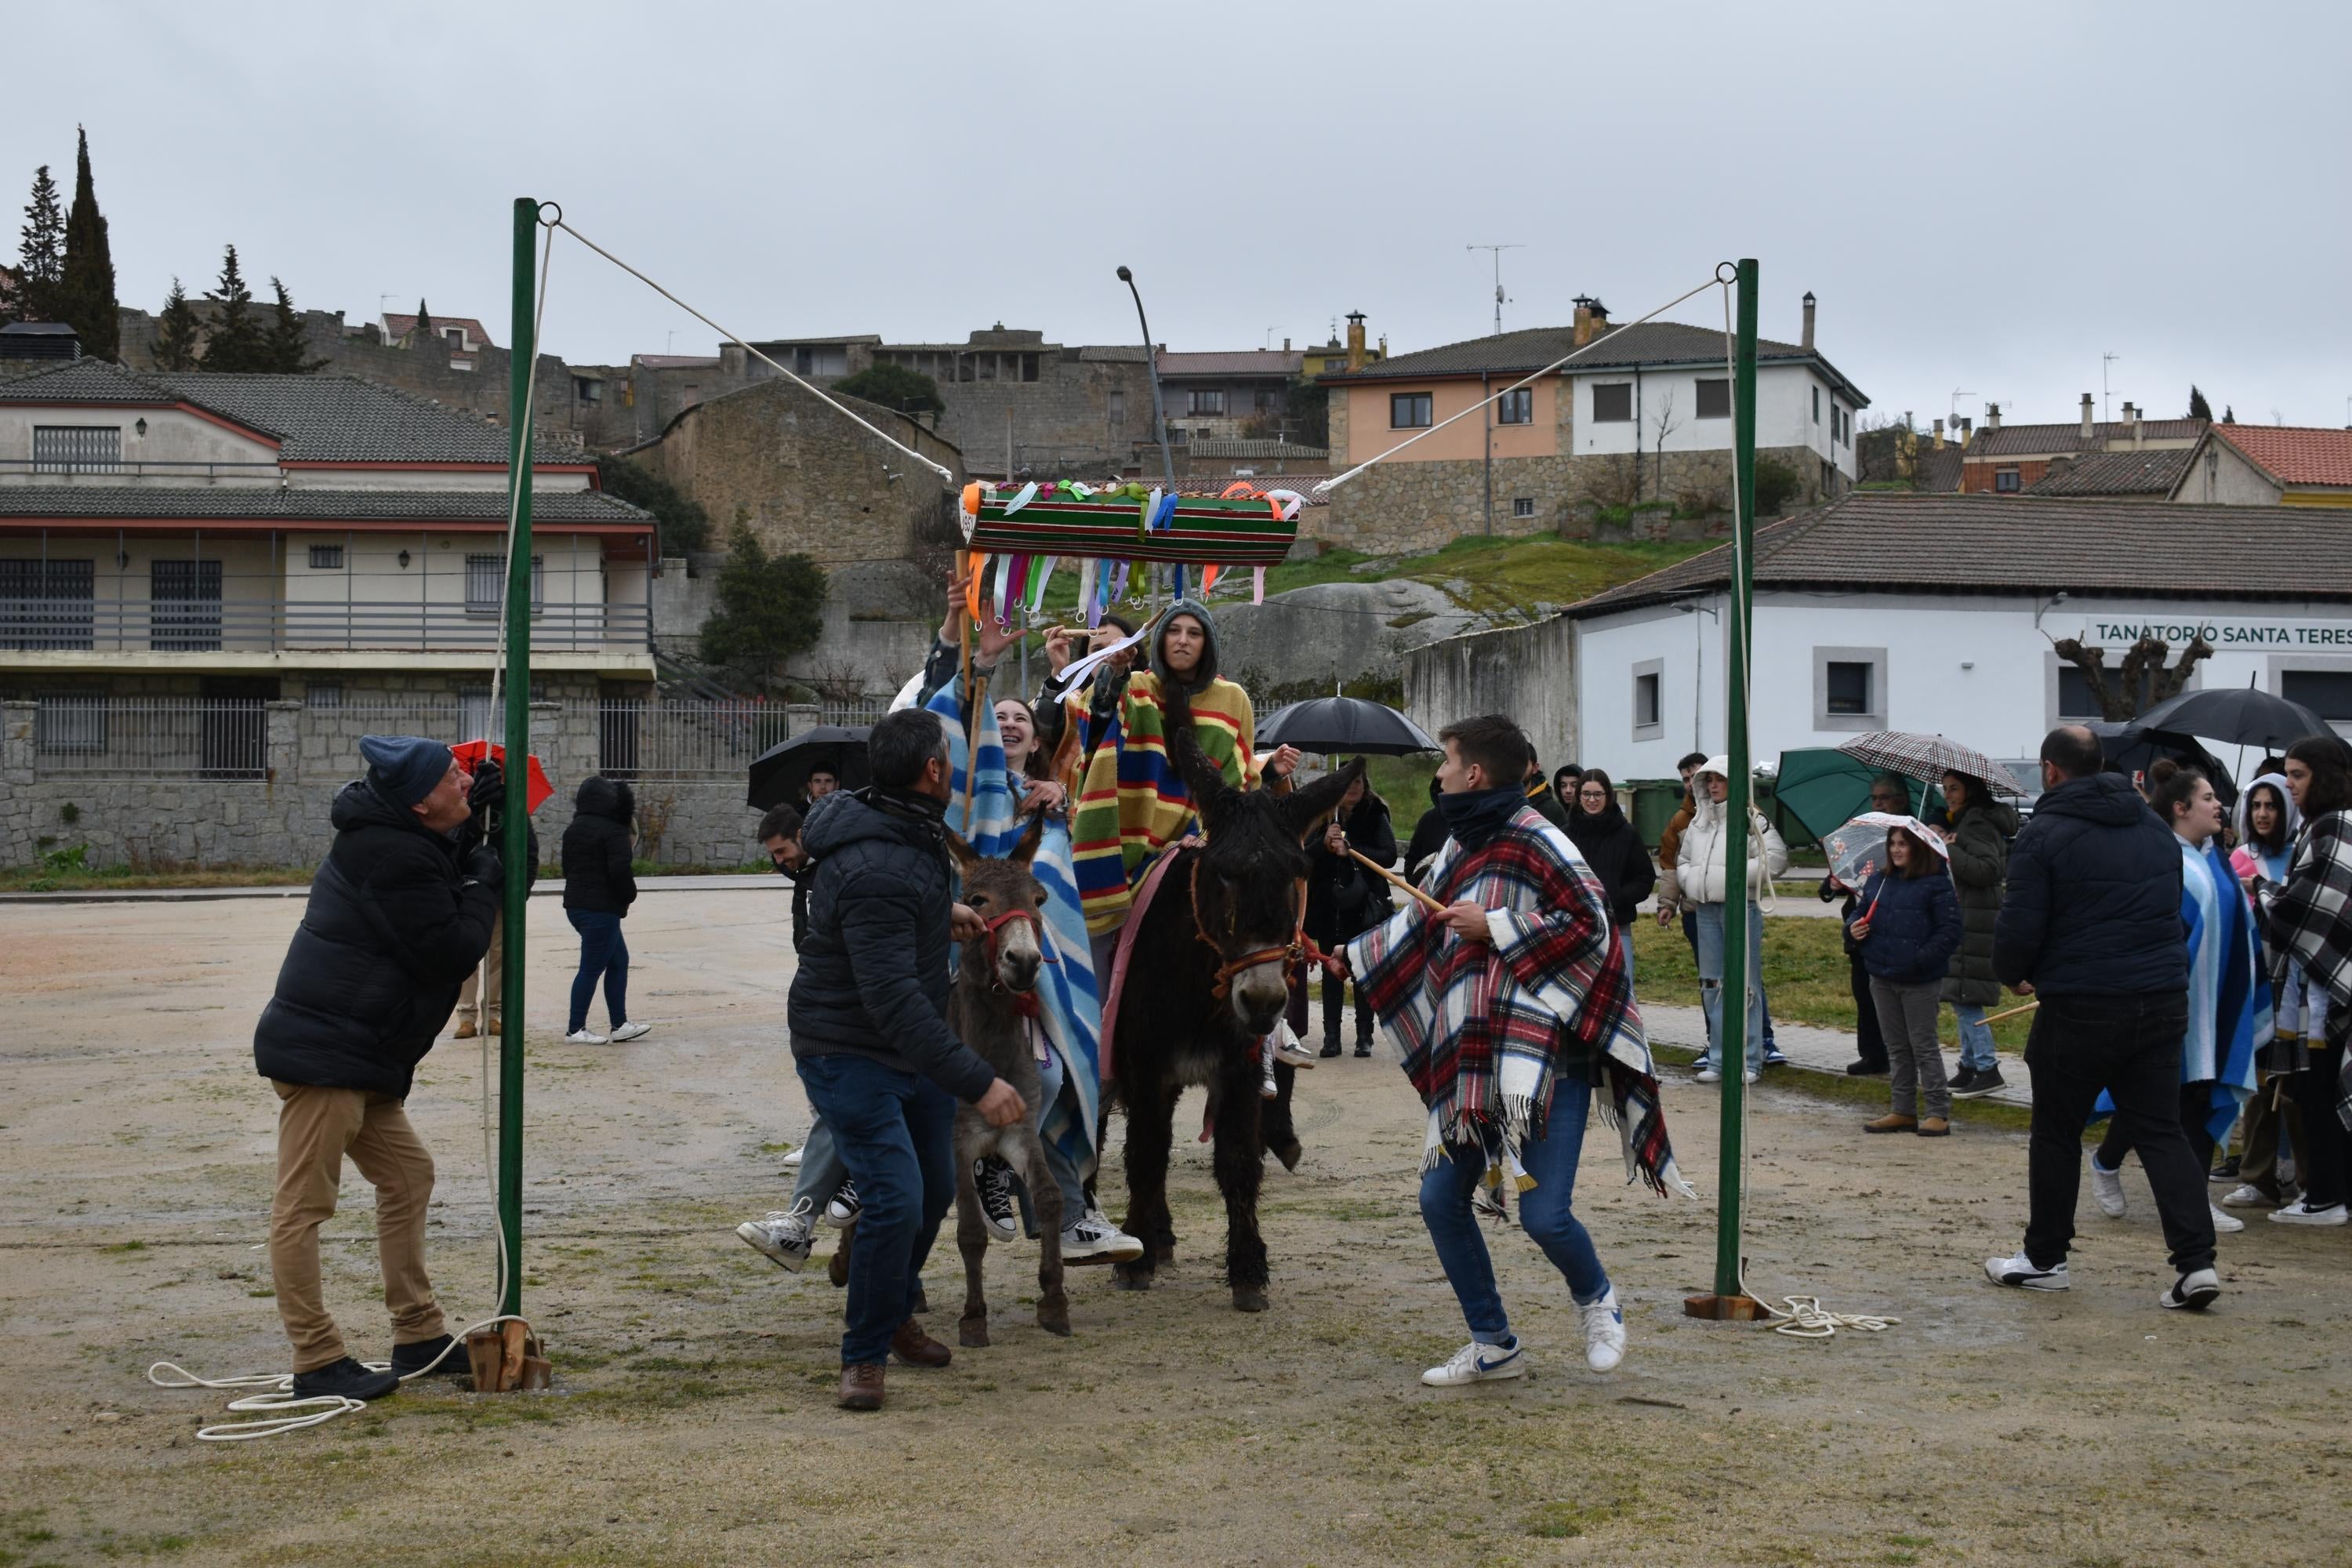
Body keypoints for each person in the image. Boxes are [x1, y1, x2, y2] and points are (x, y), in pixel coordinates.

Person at [1337, 714, 1686, 1386]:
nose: (1437, 774)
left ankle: (1598, 1300)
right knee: (1441, 1201)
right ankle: (1493, 1342)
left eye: (1446, 762)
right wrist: (1348, 959)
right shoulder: (1463, 844)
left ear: (1474, 773)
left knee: (1544, 1215)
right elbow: (1420, 917)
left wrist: (1494, 924)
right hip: (1478, 1059)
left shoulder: (1540, 838)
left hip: (1551, 1057)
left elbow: (1594, 925)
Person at [790, 707, 1028, 1411]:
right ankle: (863, 1356)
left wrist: (940, 916)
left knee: (931, 1190)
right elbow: (892, 998)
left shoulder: (901, 825)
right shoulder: (882, 863)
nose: (955, 769)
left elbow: (894, 930)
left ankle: (890, 1312)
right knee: (894, 1198)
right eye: (949, 759)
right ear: (932, 771)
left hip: (904, 1046)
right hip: (850, 1050)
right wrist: (980, 1080)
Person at [251, 735, 501, 1402]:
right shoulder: (385, 853)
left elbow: (491, 881)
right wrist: (480, 875)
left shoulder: (412, 839)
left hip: (366, 1056)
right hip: (327, 1054)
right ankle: (316, 1357)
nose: (465, 784)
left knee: (408, 1176)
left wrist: (499, 831)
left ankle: (418, 1332)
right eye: (455, 779)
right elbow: (451, 947)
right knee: (304, 1205)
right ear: (420, 800)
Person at [1985, 724, 2218, 1311]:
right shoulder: (2155, 829)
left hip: (2081, 1003)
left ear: (2051, 770)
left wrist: (2013, 972)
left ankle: (2045, 1258)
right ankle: (2196, 1265)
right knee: (2162, 1131)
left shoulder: (2045, 833)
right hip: (2160, 999)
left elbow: (2019, 924)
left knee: (2058, 1132)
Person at [2085, 762, 2267, 1237]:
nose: (2218, 805)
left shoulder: (2214, 857)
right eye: (2208, 798)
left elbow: (2233, 924)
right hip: (2174, 1002)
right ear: (2181, 808)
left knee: (2197, 1096)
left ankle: (2191, 1197)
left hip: (2214, 1002)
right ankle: (2107, 1161)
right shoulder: (2171, 861)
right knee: (2162, 1098)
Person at [1071, 598, 1298, 950]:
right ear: (1160, 639)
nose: (1183, 640)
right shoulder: (1138, 686)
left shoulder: (1232, 698)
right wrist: (1113, 676)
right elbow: (1098, 722)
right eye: (1174, 631)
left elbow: (1236, 780)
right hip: (1131, 844)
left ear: (1207, 643)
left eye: (1194, 633)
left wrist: (1210, 837)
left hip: (1202, 846)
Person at [2263, 735, 2352, 1226]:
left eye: (2298, 775)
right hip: (2324, 983)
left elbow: (2306, 909)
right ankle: (2335, 1193)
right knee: (2321, 1093)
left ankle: (2325, 1196)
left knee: (2320, 1093)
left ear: (2323, 775)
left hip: (2325, 989)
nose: (2289, 785)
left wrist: (2261, 892)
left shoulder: (2331, 825)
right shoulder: (2330, 824)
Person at [2221, 774, 2310, 1210]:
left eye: (2271, 805)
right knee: (2257, 1087)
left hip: (2295, 989)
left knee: (2295, 1088)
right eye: (2255, 805)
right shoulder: (2239, 858)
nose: (2262, 813)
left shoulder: (2302, 857)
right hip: (2254, 989)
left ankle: (2307, 1178)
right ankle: (2258, 1176)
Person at [1674, 755, 1788, 1084]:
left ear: (1733, 783)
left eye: (1719, 779)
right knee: (1712, 983)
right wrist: (1691, 880)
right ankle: (1720, 1057)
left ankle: (1751, 1060)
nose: (1713, 786)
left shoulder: (1752, 818)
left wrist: (1736, 877)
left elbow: (1776, 859)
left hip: (1741, 907)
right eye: (1708, 781)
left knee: (1746, 985)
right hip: (1705, 910)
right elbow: (1683, 858)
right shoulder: (1699, 821)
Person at [1849, 819, 1963, 1136]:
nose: (1896, 850)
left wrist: (1919, 960)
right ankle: (1902, 1110)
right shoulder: (1878, 880)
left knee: (1923, 1045)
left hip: (1919, 980)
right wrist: (1854, 928)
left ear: (1918, 848)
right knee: (1896, 1046)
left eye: (1903, 844)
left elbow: (1950, 932)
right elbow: (1859, 914)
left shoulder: (1937, 884)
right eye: (1893, 844)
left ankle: (1938, 1112)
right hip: (1881, 975)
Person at [1935, 770, 2020, 1100]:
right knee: (1960, 995)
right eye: (1945, 789)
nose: (1948, 795)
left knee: (1967, 997)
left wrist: (1948, 851)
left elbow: (1989, 870)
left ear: (1971, 790)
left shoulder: (1976, 822)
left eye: (1954, 788)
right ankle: (1970, 1064)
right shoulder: (1966, 819)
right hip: (1970, 915)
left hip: (1977, 919)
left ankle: (1987, 1068)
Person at [1305, 761, 1398, 1057]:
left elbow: (1389, 855)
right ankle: (1331, 1036)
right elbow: (1303, 856)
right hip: (1330, 907)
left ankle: (1364, 1035)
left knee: (1361, 969)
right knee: (1332, 971)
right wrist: (1325, 844)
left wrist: (1352, 848)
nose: (1354, 787)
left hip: (1364, 906)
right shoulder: (1322, 817)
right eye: (1348, 782)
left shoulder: (1374, 813)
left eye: (1358, 781)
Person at [1825, 774, 1912, 1076]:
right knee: (1864, 992)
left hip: (1898, 928)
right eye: (1874, 798)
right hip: (1861, 927)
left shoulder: (1912, 834)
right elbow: (1838, 876)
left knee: (1894, 999)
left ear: (1901, 800)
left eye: (1884, 798)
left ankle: (1900, 1056)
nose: (1877, 803)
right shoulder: (1863, 832)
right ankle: (1872, 1054)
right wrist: (1834, 884)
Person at [450, 763, 538, 1042]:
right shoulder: (464, 807)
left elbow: (529, 850)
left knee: (497, 957)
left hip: (500, 897)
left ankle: (493, 1015)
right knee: (466, 958)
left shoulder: (514, 808)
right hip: (467, 892)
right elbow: (453, 845)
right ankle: (466, 1017)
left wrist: (521, 890)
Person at [560, 776, 649, 1045]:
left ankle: (620, 1024)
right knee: (591, 967)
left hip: (577, 906)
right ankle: (576, 1029)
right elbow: (620, 870)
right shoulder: (614, 831)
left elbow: (567, 868)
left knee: (618, 961)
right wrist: (629, 896)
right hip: (601, 908)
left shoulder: (573, 829)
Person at [1565, 769, 1654, 980]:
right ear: (1579, 797)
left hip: (1617, 925)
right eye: (1586, 794)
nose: (1592, 800)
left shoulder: (1627, 834)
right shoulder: (1565, 834)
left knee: (1621, 991)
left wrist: (1618, 897)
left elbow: (1644, 878)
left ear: (1608, 796)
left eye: (1598, 794)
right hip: (1576, 927)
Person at [1403, 775, 1448, 887]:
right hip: (1428, 895)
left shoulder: (1477, 821)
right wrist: (1418, 885)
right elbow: (1412, 859)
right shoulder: (1429, 819)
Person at [1523, 755, 1573, 832]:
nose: (1568, 791)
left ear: (1535, 768)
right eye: (1563, 785)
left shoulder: (1553, 809)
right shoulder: (1501, 802)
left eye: (1523, 764)